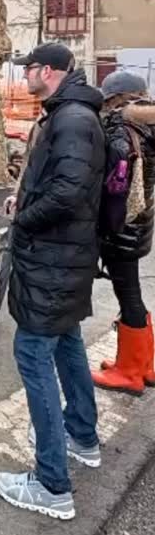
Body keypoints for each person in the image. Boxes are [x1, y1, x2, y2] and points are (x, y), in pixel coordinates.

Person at [0, 43, 106, 522]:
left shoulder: (72, 119)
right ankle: (82, 435)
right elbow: (58, 183)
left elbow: (67, 193)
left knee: (33, 353)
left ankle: (51, 483)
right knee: (67, 344)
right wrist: (24, 201)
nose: (25, 78)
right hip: (64, 259)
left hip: (54, 259)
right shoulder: (69, 113)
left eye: (30, 70)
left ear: (50, 71)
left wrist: (24, 219)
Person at [91, 71, 155, 395]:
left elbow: (111, 188)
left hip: (121, 230)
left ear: (114, 98)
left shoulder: (120, 128)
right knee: (132, 293)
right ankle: (144, 364)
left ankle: (129, 372)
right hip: (140, 224)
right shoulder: (148, 126)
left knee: (128, 294)